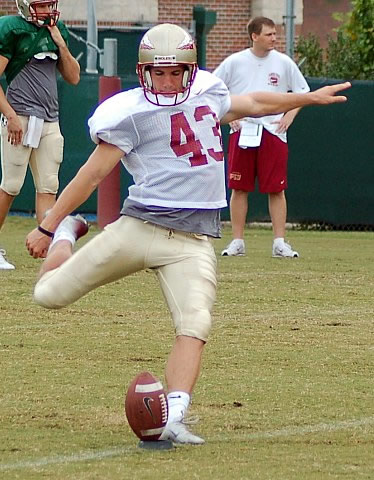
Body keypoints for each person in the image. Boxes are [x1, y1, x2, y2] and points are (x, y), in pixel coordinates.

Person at [25, 23, 349, 444]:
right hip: (139, 227)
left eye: (175, 72)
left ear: (190, 70)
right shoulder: (129, 112)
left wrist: (307, 96)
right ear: (143, 73)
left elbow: (251, 101)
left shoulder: (208, 92)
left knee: (195, 322)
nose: (167, 80)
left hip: (192, 241)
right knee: (47, 296)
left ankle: (173, 417)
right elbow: (91, 176)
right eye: (158, 73)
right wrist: (49, 226)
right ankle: (71, 233)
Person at [0, 0, 80, 270]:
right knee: (11, 185)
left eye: (50, 5)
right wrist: (11, 115)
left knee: (48, 185)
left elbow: (73, 77)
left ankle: (46, 245)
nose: (48, 11)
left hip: (49, 119)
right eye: (42, 6)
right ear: (26, 6)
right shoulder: (11, 29)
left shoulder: (54, 29)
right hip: (21, 118)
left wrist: (61, 45)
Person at [214, 17, 310, 258]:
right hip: (242, 132)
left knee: (276, 189)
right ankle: (237, 242)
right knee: (239, 187)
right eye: (268, 34)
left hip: (273, 132)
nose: (274, 39)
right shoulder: (234, 62)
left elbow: (303, 92)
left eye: (275, 34)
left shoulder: (284, 62)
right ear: (254, 36)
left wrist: (290, 115)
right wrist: (229, 115)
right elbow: (214, 90)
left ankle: (279, 242)